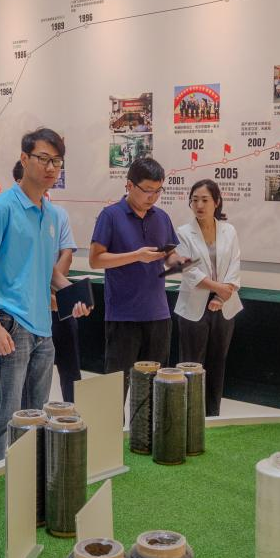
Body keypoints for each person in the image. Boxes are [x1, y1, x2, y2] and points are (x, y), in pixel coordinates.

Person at [0, 128, 90, 466]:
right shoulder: (1, 208)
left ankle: (26, 479)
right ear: (24, 159)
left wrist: (71, 295)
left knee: (34, 414)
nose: (51, 168)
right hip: (10, 323)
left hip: (43, 327)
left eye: (57, 161)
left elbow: (47, 270)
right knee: (5, 413)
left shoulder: (51, 214)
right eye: (43, 159)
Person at [89, 157, 187, 396]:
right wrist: (136, 256)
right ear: (129, 185)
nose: (153, 197)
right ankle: (114, 423)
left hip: (159, 314)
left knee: (154, 390)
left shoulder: (162, 217)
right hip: (123, 316)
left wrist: (177, 262)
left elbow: (169, 254)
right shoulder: (110, 215)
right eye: (147, 190)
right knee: (116, 389)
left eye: (158, 191)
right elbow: (96, 260)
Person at [173, 179, 241, 416]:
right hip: (193, 306)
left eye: (205, 200)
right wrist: (218, 288)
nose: (199, 205)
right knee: (191, 365)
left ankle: (213, 416)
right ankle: (189, 415)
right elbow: (189, 271)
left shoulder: (229, 230)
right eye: (195, 200)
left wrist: (222, 296)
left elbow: (234, 265)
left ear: (217, 202)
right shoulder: (183, 232)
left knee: (217, 363)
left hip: (225, 306)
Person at [13, 159, 81, 401]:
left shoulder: (56, 214)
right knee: (25, 375)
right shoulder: (8, 212)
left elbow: (66, 253)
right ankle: (27, 418)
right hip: (27, 307)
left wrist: (54, 293)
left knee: (70, 368)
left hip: (57, 302)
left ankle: (72, 413)